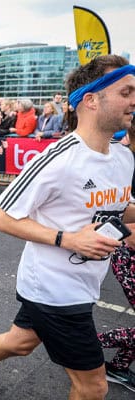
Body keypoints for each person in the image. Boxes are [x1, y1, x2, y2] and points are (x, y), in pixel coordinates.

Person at [0, 54, 135, 400]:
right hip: (55, 289)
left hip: (84, 283)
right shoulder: (58, 159)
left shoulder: (123, 157)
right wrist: (68, 239)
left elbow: (117, 209)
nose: (134, 100)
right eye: (126, 91)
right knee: (92, 387)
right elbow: (1, 216)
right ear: (90, 99)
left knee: (21, 342)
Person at [96, 120, 135, 392]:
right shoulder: (126, 163)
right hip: (129, 253)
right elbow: (123, 221)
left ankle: (119, 366)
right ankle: (86, 345)